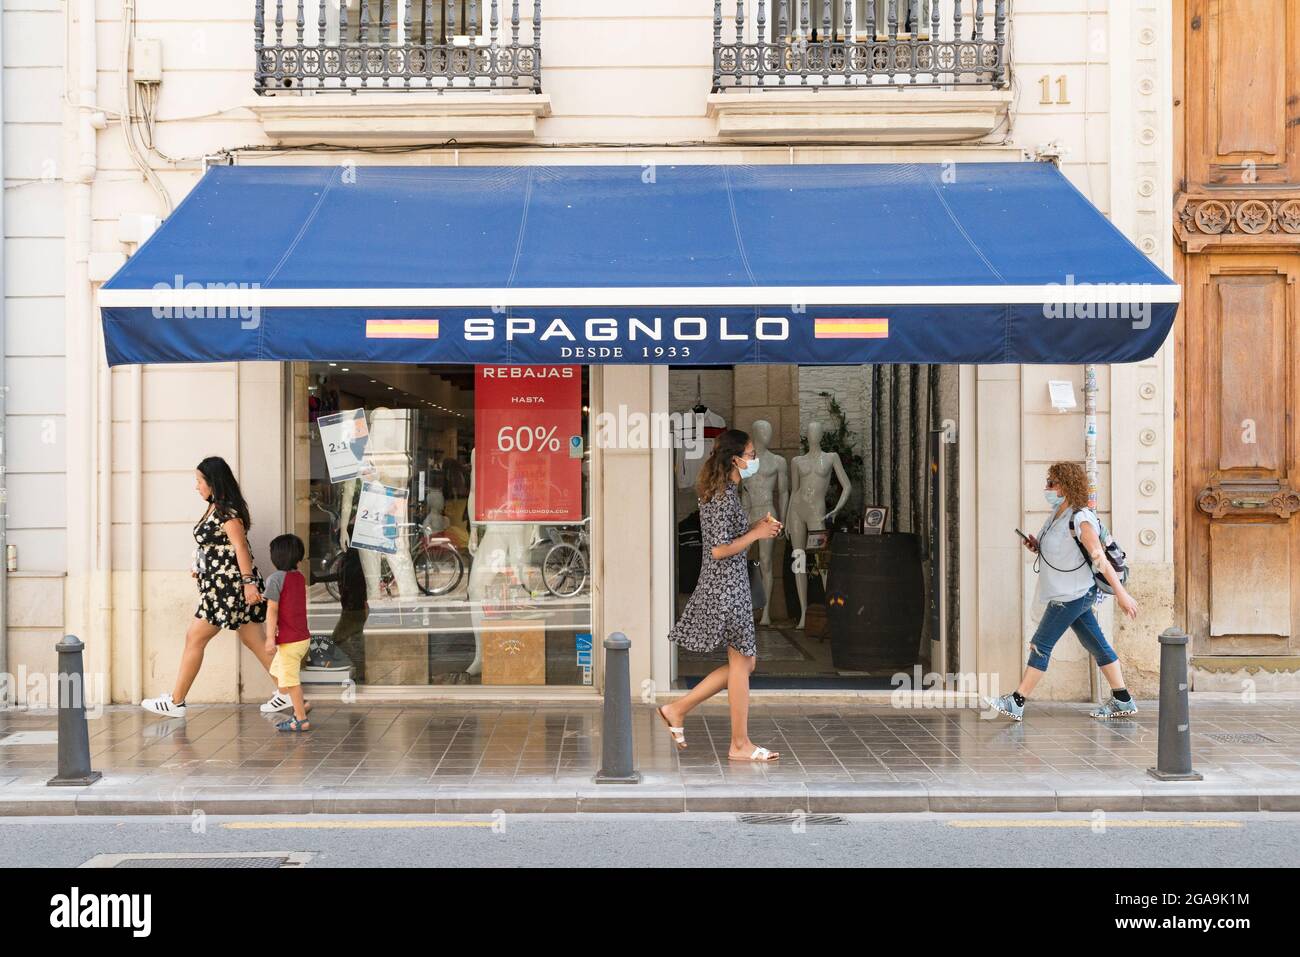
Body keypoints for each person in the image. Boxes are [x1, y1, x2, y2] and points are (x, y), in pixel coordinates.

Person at [657, 429, 784, 761]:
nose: (754, 460)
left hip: (731, 584)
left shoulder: (725, 491)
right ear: (734, 458)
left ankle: (678, 709)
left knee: (745, 662)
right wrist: (756, 533)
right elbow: (718, 549)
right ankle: (739, 744)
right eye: (751, 454)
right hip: (726, 586)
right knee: (742, 663)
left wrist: (756, 524)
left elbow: (729, 537)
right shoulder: (720, 496)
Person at [141, 457, 301, 718]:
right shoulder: (215, 507)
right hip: (220, 586)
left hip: (228, 590)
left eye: (199, 481)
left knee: (195, 637)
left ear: (213, 483)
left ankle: (176, 701)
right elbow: (218, 548)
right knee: (257, 642)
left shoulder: (227, 512)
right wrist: (202, 566)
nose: (196, 487)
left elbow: (240, 548)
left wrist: (248, 584)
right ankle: (290, 695)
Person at [986, 462, 1140, 722]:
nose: (1047, 488)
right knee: (1096, 644)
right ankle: (1122, 699)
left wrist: (1121, 594)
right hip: (1065, 591)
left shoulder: (1081, 518)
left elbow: (1099, 557)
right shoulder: (1058, 513)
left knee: (1041, 644)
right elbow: (1061, 550)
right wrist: (1036, 545)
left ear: (1066, 486)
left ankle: (1017, 701)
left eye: (1051, 483)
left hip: (1073, 594)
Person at [263, 534, 313, 732]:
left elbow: (273, 609)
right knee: (278, 674)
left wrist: (269, 639)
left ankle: (300, 719)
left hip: (289, 642)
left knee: (291, 683)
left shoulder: (275, 578)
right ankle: (300, 702)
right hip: (301, 639)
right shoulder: (298, 577)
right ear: (298, 559)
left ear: (275, 558)